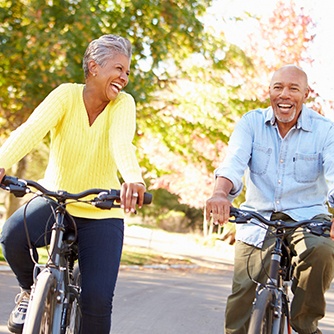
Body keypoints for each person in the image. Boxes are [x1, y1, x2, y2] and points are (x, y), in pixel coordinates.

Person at [0, 34, 146, 334]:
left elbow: (122, 143)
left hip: (102, 211)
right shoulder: (65, 95)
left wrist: (133, 178)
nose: (124, 77)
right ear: (94, 67)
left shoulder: (123, 105)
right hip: (56, 201)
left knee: (96, 301)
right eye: (119, 69)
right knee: (11, 237)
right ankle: (30, 293)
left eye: (127, 72)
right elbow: (31, 130)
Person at [205, 65, 334, 334]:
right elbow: (233, 163)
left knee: (321, 251)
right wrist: (219, 193)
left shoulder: (325, 131)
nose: (284, 95)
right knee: (243, 292)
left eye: (293, 88)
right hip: (259, 217)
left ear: (306, 94)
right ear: (269, 92)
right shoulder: (251, 123)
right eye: (278, 87)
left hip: (307, 217)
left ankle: (304, 324)